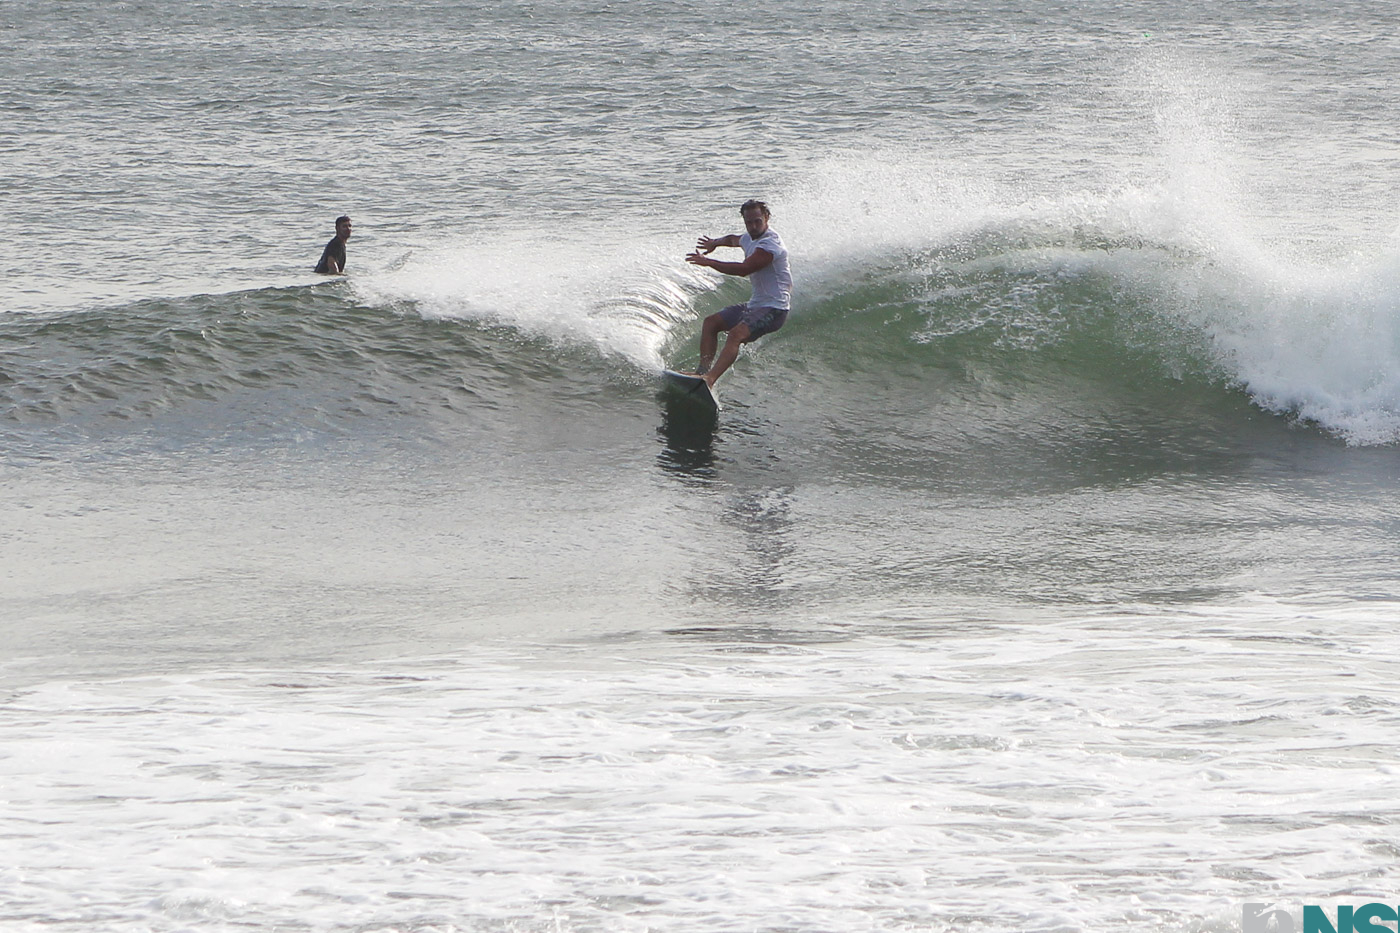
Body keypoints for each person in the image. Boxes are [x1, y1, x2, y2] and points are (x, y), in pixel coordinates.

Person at [683, 199, 792, 388]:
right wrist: (714, 243)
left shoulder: (770, 245)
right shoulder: (750, 236)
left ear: (767, 218)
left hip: (775, 309)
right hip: (756, 305)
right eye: (749, 222)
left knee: (736, 334)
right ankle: (701, 372)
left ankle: (709, 380)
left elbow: (744, 269)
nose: (753, 226)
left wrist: (710, 262)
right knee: (711, 322)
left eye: (758, 221)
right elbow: (734, 239)